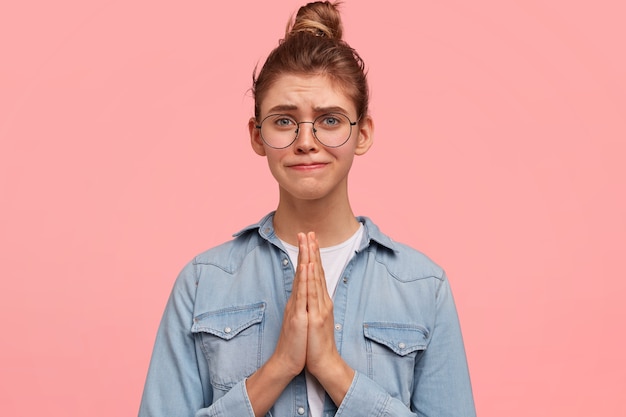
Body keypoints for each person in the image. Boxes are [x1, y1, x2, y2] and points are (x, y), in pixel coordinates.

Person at [138, 2, 476, 416]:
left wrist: (333, 370)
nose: (306, 140)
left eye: (330, 120)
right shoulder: (202, 284)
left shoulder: (422, 286)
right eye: (283, 121)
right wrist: (279, 367)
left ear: (363, 133)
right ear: (257, 135)